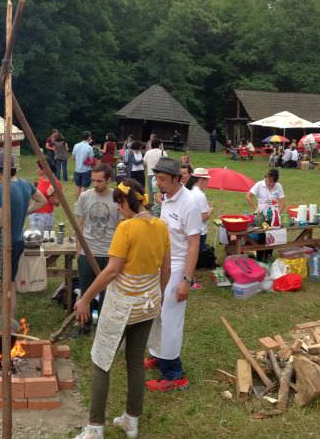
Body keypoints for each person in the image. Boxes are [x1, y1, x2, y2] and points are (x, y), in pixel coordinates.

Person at [73, 178, 170, 439]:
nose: (118, 209)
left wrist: (85, 298)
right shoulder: (161, 226)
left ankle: (94, 428)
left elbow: (112, 270)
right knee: (135, 362)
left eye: (119, 204)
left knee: (101, 361)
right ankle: (131, 420)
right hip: (148, 305)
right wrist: (156, 295)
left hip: (122, 305)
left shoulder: (126, 229)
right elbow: (166, 269)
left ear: (127, 202)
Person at [145, 157, 202, 392]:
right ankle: (159, 356)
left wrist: (186, 281)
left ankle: (174, 374)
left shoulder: (189, 203)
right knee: (157, 313)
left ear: (178, 179)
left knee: (170, 320)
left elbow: (193, 244)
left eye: (163, 180)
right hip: (163, 264)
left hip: (179, 267)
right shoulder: (167, 198)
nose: (159, 184)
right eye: (157, 179)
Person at [0, 151, 47, 311]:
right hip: (18, 242)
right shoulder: (25, 184)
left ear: (0, 169)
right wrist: (25, 211)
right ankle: (10, 319)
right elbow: (42, 200)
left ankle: (5, 318)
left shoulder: (1, 190)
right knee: (9, 282)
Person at [74, 163, 121, 335]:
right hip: (88, 253)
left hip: (109, 254)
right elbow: (78, 223)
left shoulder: (117, 199)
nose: (95, 184)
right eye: (93, 180)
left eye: (100, 181)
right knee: (86, 291)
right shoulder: (85, 197)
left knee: (107, 293)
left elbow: (122, 226)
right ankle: (84, 326)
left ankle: (102, 328)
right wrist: (78, 248)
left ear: (109, 180)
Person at [30, 160, 60, 233]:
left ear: (44, 169)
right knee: (35, 239)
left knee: (44, 241)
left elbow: (57, 203)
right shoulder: (41, 179)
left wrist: (50, 195)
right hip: (34, 213)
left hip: (45, 216)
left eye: (37, 168)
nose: (36, 170)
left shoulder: (55, 183)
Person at [72, 132, 95, 196]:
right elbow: (91, 161)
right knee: (84, 187)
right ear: (89, 137)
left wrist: (79, 159)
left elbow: (73, 158)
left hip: (77, 169)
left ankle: (78, 202)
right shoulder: (89, 147)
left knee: (78, 186)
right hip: (86, 169)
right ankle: (81, 202)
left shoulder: (76, 145)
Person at [143, 138, 165, 203]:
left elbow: (144, 163)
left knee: (151, 190)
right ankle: (160, 202)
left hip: (150, 173)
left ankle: (151, 203)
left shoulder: (148, 152)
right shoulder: (162, 152)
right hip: (161, 174)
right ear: (159, 145)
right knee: (161, 189)